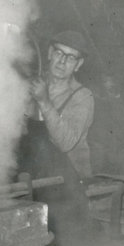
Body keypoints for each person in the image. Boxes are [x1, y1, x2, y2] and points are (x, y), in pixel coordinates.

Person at [30, 30, 95, 181]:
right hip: (35, 176)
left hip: (70, 183)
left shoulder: (83, 96)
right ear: (50, 53)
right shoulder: (33, 84)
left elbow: (66, 142)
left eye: (71, 57)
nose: (62, 61)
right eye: (59, 53)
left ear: (78, 64)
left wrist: (44, 101)